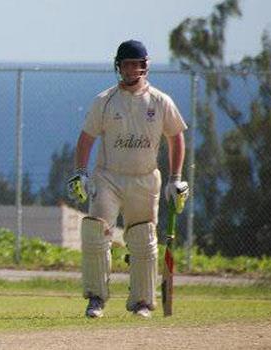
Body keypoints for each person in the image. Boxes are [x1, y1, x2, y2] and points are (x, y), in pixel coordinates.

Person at [67, 39, 190, 319]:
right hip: (108, 178)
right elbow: (86, 138)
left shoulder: (160, 101)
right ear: (118, 67)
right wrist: (81, 172)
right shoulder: (105, 100)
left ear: (145, 66)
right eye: (126, 64)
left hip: (145, 180)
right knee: (96, 232)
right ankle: (96, 298)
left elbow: (176, 137)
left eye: (136, 64)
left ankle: (142, 303)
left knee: (143, 238)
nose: (132, 69)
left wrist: (176, 178)